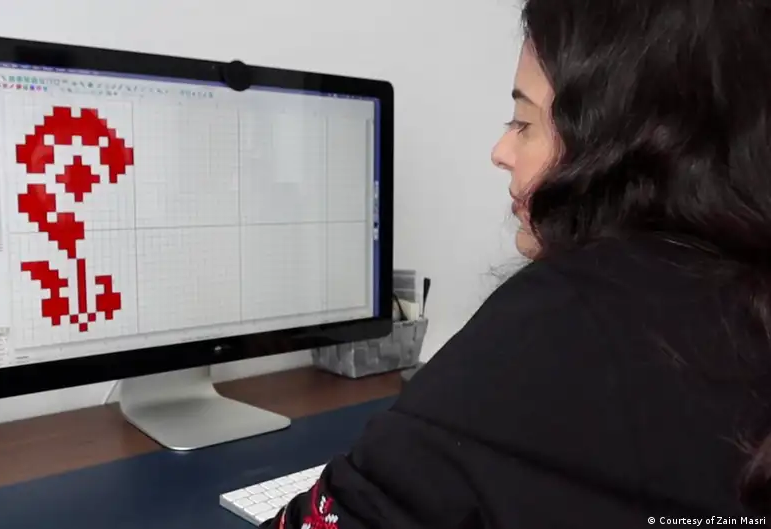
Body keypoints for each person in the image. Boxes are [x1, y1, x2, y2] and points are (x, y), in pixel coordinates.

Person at [262, 0, 771, 527]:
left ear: (617, 145)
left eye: (523, 122)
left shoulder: (568, 317)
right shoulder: (733, 294)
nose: (501, 150)